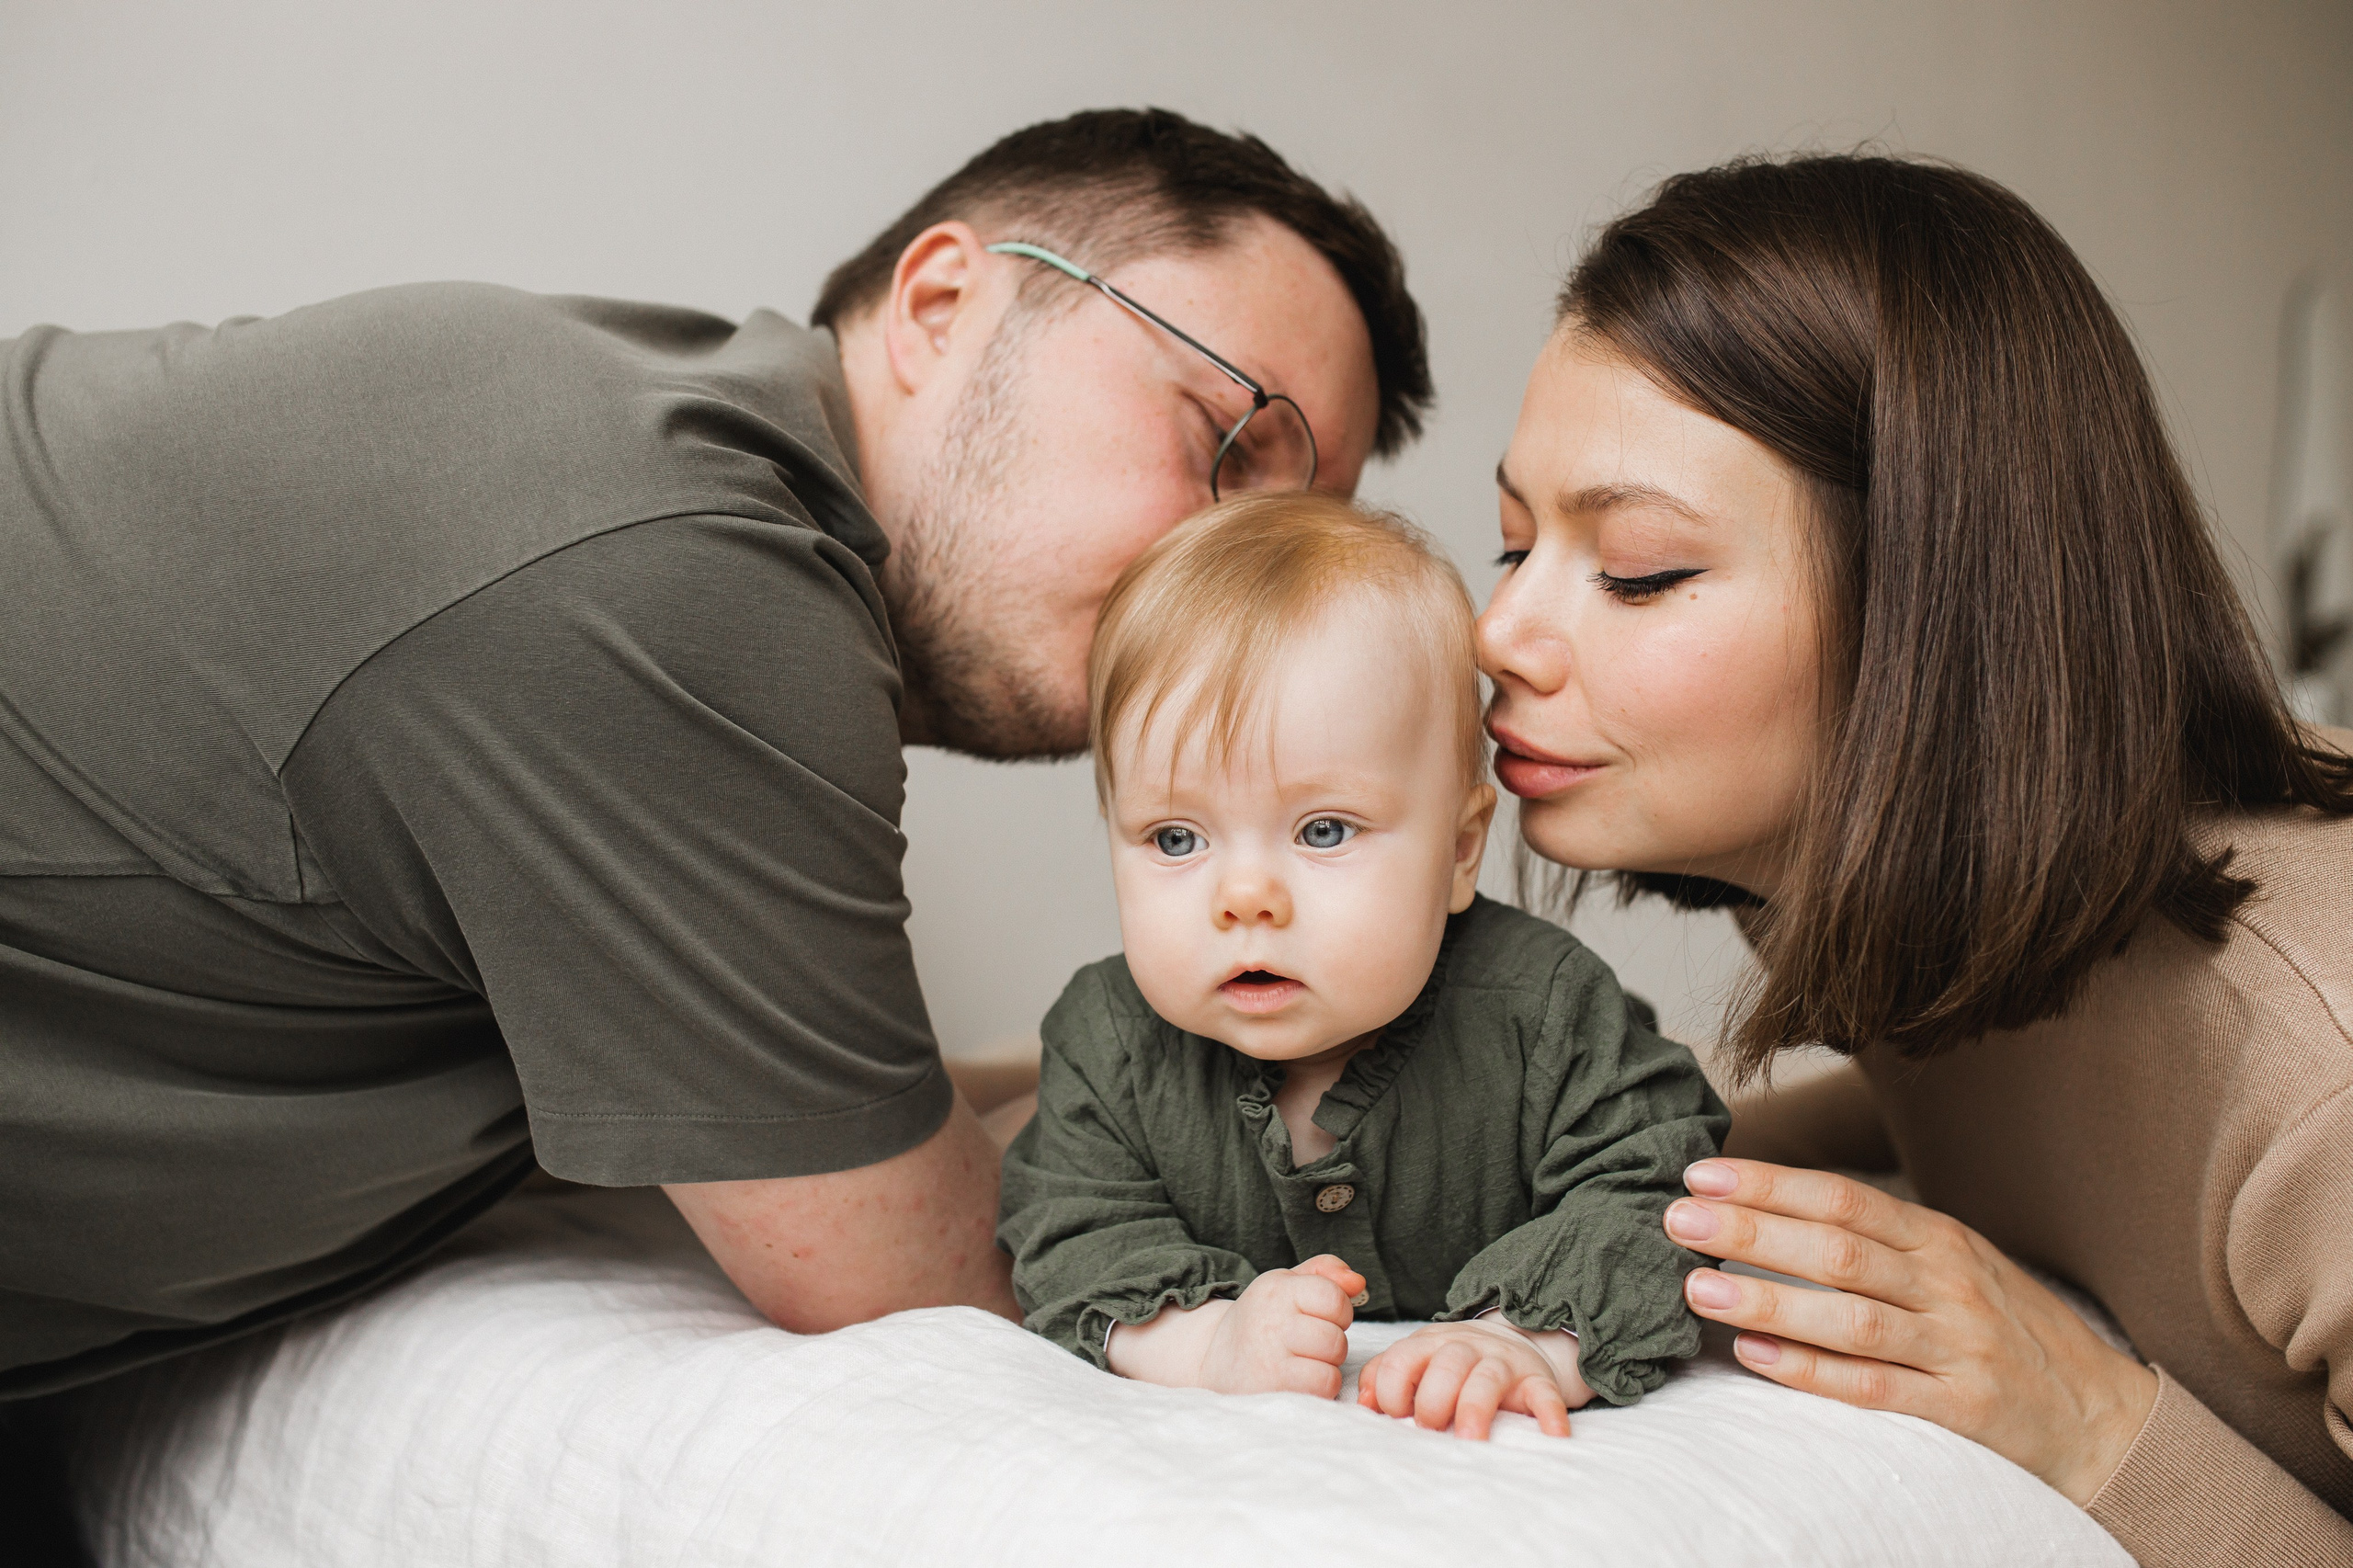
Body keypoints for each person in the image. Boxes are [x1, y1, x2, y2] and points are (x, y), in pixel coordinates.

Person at [0, 108, 1433, 1400]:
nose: (1230, 584)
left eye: (1279, 540)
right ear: (942, 302)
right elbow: (918, 1269)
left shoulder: (654, 452)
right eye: (1225, 442)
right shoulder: (678, 565)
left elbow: (854, 1090)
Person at [1476, 152, 2353, 1565]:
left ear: (1931, 611)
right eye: (1512, 542)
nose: (1499, 632)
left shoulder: (2323, 1079)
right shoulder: (1912, 890)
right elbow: (2037, 1120)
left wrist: (2092, 1422)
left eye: (1636, 568)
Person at [996, 494, 1726, 1440]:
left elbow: (1661, 1183)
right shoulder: (1107, 1035)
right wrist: (1205, 1341)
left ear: (1460, 850)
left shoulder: (1542, 1008)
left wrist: (1523, 1339)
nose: (1243, 895)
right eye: (1175, 836)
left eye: (1323, 828)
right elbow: (1067, 1227)